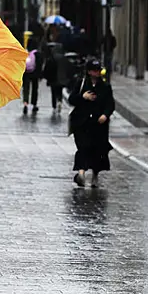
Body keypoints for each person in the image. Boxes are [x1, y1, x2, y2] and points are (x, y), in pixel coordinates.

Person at [68, 58, 115, 188]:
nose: (97, 73)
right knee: (83, 147)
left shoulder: (105, 87)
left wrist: (105, 115)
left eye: (98, 70)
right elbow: (71, 99)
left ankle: (95, 175)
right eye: (94, 70)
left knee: (98, 150)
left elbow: (110, 104)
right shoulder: (81, 84)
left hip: (98, 125)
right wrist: (83, 97)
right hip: (82, 123)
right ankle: (81, 173)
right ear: (89, 72)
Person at [43, 42, 68, 115]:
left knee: (53, 92)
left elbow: (47, 68)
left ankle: (54, 106)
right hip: (61, 78)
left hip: (52, 78)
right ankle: (59, 101)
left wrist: (46, 76)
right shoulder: (63, 58)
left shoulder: (51, 57)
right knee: (59, 91)